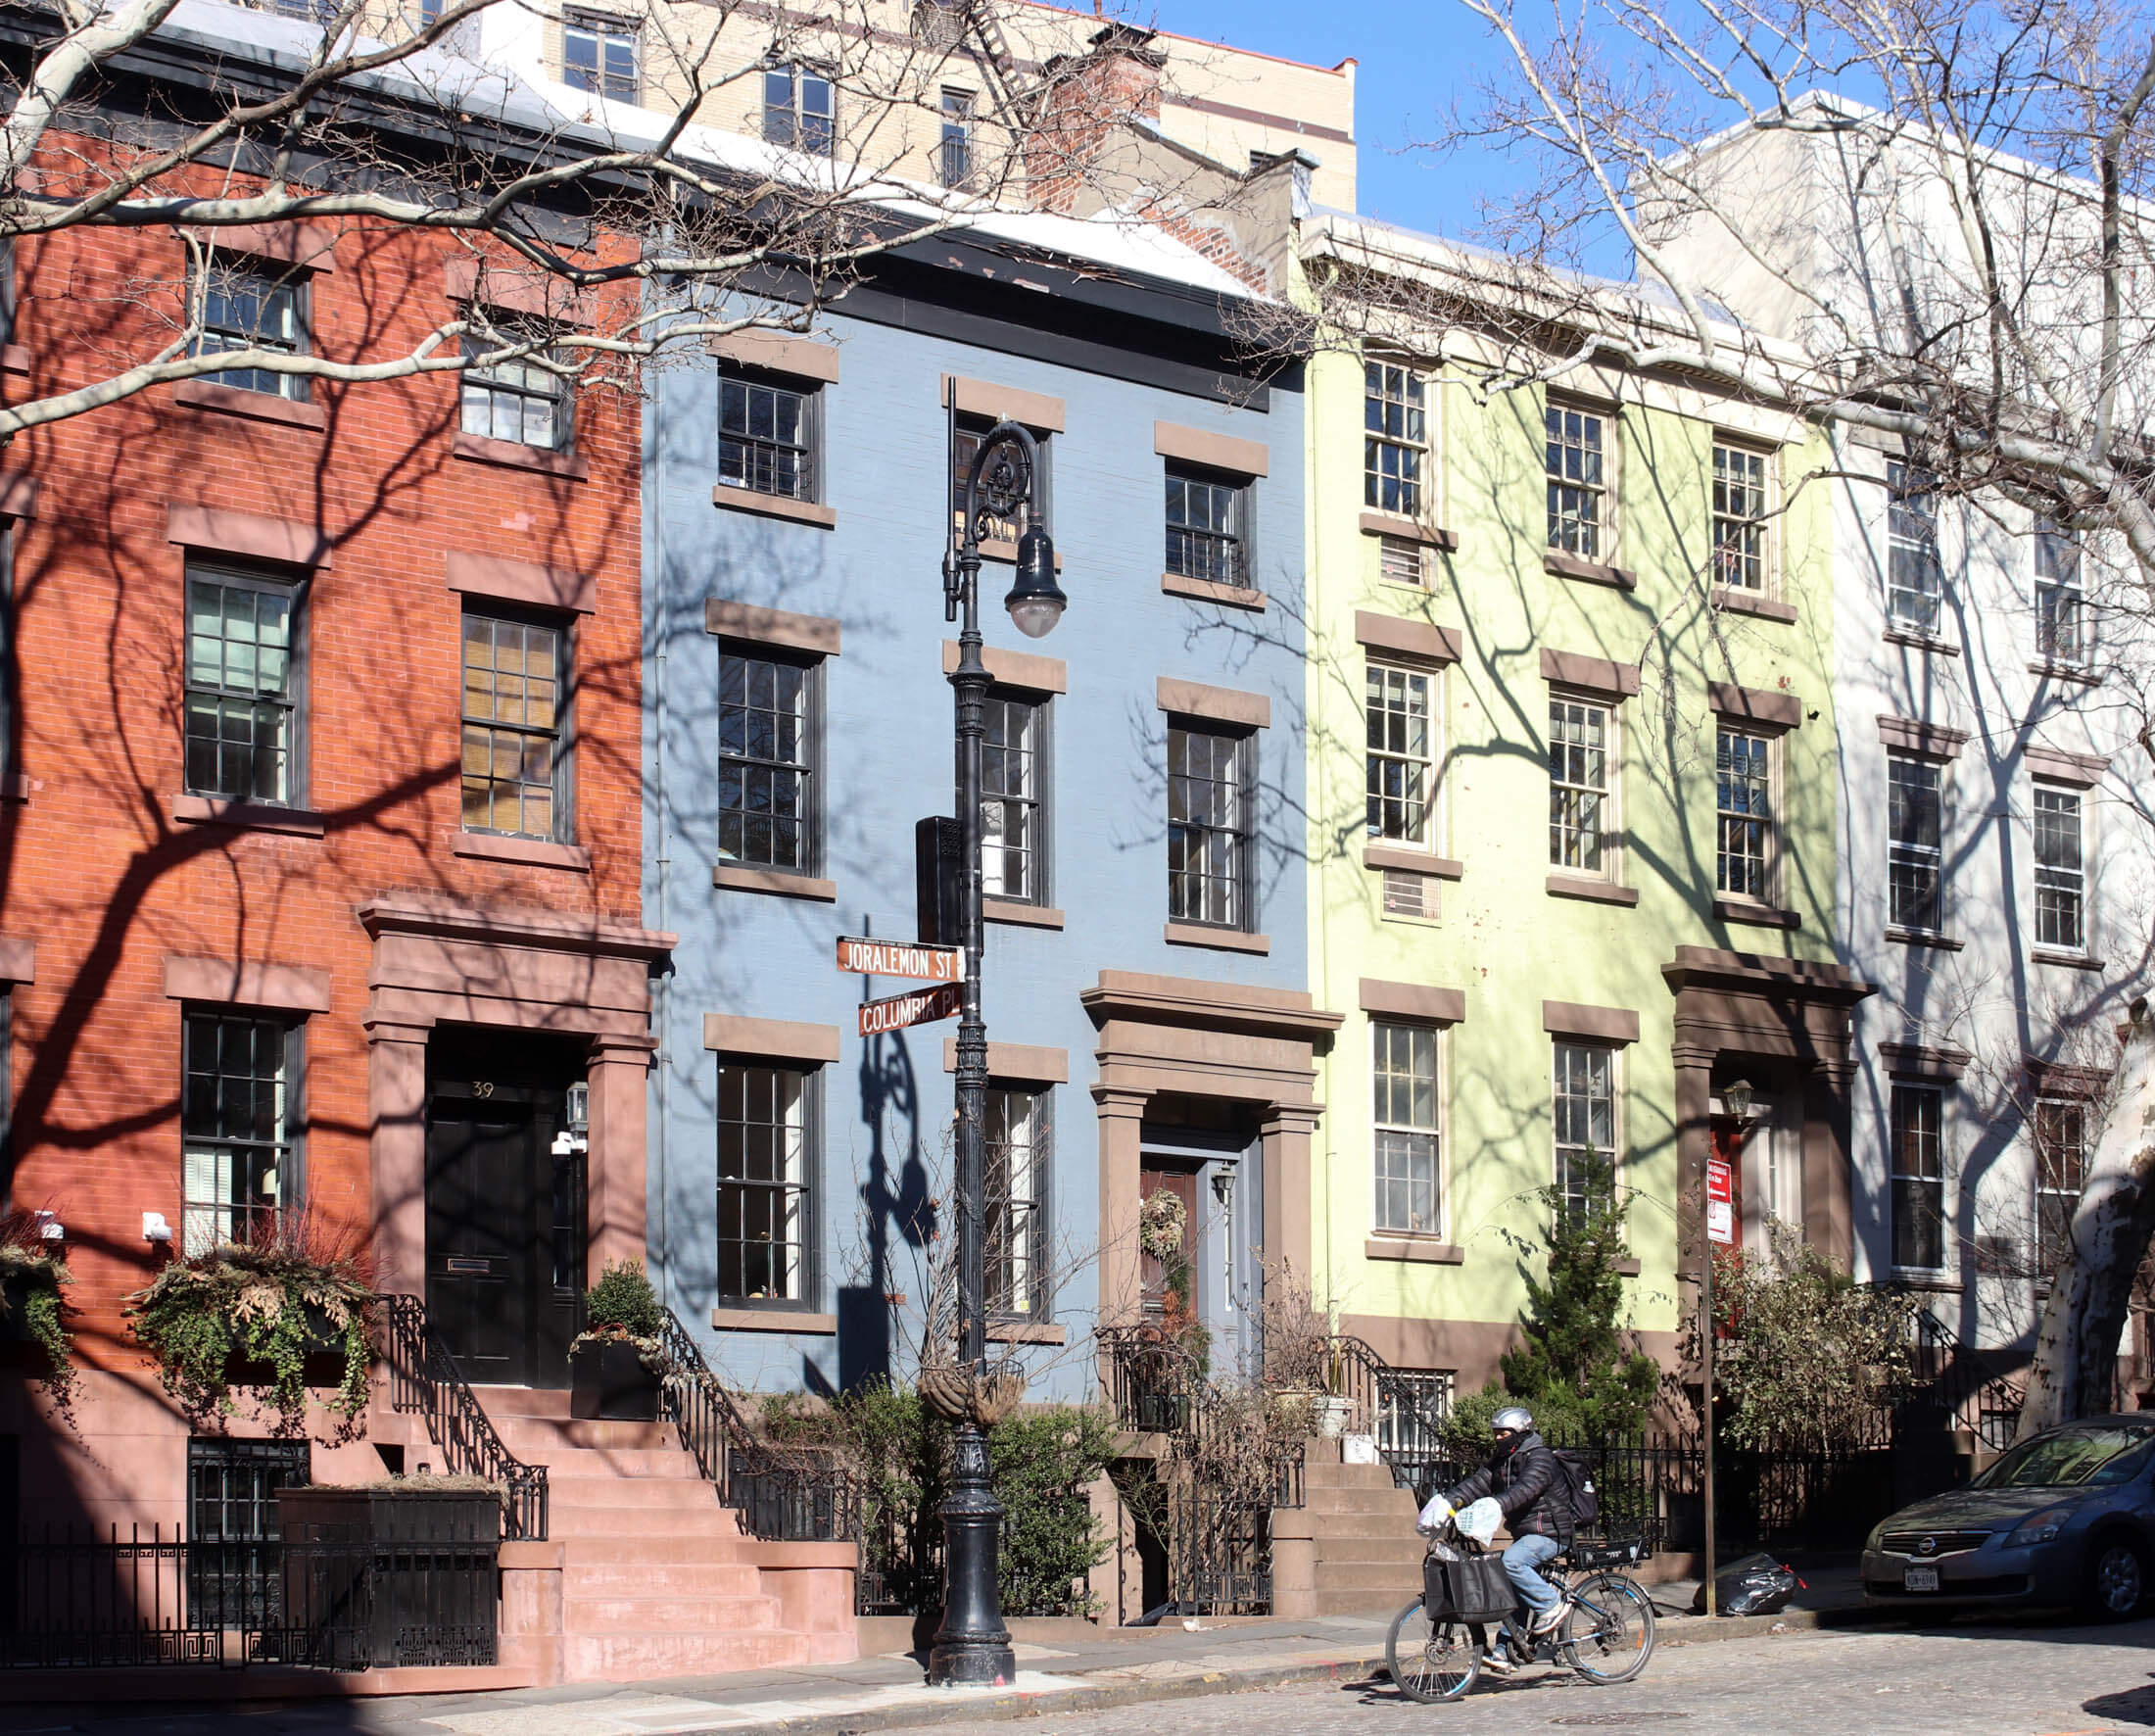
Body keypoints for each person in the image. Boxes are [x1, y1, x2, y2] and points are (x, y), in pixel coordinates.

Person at [1438, 1405, 1573, 1671]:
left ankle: (1550, 1605)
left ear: (1521, 1432)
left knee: (1511, 1563)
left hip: (1551, 1532)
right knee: (1510, 1585)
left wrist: (1496, 1505)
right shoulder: (1502, 1459)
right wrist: (1446, 1503)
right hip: (1526, 1534)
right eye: (1496, 1433)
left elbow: (1527, 1488)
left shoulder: (1540, 1458)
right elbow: (1477, 1484)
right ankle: (1505, 1650)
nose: (1499, 1438)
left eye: (1504, 1433)